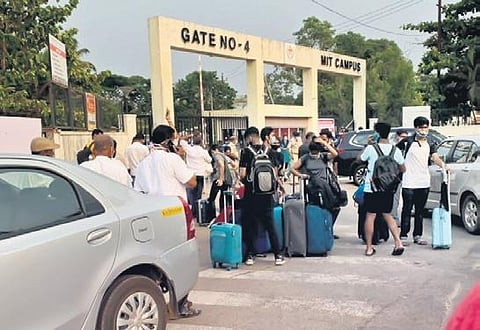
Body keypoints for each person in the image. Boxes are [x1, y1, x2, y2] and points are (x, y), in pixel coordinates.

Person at [133, 124, 200, 318]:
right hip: (174, 213)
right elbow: (192, 182)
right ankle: (181, 304)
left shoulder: (144, 163)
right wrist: (181, 158)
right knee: (182, 258)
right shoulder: (172, 159)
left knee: (155, 259)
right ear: (169, 141)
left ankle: (157, 302)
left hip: (152, 214)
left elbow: (138, 190)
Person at [397, 116, 448, 246]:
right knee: (407, 210)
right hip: (409, 181)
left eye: (425, 127)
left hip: (423, 181)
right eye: (421, 127)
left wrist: (443, 166)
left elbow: (435, 157)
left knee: (420, 211)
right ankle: (403, 235)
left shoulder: (430, 142)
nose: (424, 130)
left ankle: (417, 235)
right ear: (416, 128)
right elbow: (395, 155)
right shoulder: (407, 142)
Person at [239, 126, 285, 266]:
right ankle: (278, 255)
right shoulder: (269, 151)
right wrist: (278, 186)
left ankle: (251, 255)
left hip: (251, 195)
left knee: (251, 224)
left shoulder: (246, 152)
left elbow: (242, 174)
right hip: (267, 195)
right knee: (270, 225)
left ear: (249, 137)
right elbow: (275, 173)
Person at [359, 122, 406, 257]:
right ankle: (398, 243)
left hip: (372, 187)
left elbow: (359, 159)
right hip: (388, 188)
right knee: (387, 215)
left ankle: (369, 248)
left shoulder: (371, 148)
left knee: (370, 216)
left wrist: (368, 145)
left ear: (377, 133)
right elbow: (403, 168)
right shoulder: (395, 150)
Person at [179, 135, 212, 219]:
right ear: (201, 142)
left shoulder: (189, 149)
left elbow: (181, 141)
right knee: (198, 195)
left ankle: (192, 212)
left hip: (191, 174)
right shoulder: (203, 152)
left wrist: (189, 135)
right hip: (200, 175)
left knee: (190, 194)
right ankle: (198, 212)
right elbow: (209, 160)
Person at [391, 129, 409, 227]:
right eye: (402, 137)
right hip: (396, 177)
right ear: (397, 137)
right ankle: (394, 219)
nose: (404, 139)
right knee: (395, 199)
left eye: (406, 137)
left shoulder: (408, 147)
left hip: (407, 177)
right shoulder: (395, 148)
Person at [208, 144, 233, 213]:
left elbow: (221, 165)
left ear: (215, 150)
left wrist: (220, 179)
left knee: (211, 198)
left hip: (219, 179)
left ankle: (211, 214)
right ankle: (222, 214)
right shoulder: (223, 155)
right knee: (223, 198)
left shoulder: (217, 155)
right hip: (226, 179)